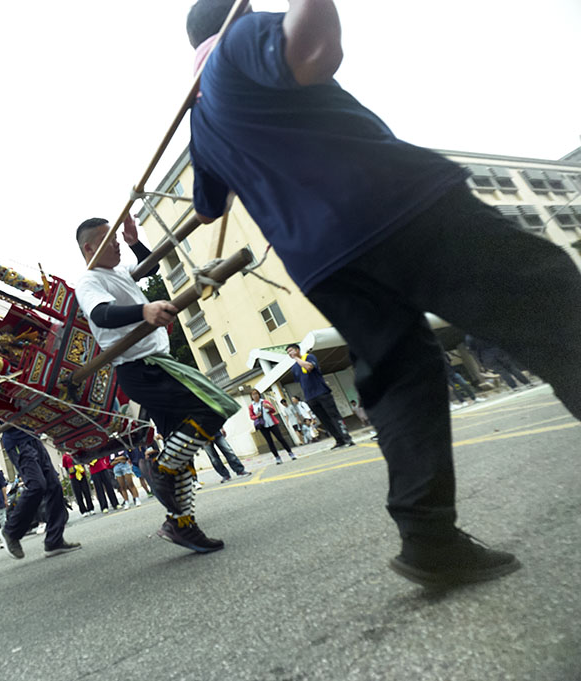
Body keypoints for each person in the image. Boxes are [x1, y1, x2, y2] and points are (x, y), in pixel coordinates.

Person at [184, 0, 581, 585]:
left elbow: (207, 205)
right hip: (397, 207)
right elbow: (314, 51)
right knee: (547, 303)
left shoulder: (201, 120)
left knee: (401, 379)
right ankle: (429, 538)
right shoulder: (240, 43)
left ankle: (430, 540)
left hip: (325, 265)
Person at [76, 213, 238, 552]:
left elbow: (148, 269)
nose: (116, 243)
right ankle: (161, 469)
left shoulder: (119, 272)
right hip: (142, 369)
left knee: (183, 450)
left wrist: (135, 243)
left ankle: (181, 525)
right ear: (89, 248)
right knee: (213, 409)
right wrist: (144, 311)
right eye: (109, 240)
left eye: (116, 238)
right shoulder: (89, 281)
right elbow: (101, 314)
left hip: (156, 365)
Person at [0, 428, 79, 559]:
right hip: (18, 442)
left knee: (54, 486)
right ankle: (11, 532)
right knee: (36, 486)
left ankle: (54, 541)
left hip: (34, 438)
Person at [286, 345, 355, 449]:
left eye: (291, 350)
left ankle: (347, 438)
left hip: (322, 392)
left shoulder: (309, 357)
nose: (289, 353)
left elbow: (309, 367)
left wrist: (296, 358)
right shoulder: (294, 368)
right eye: (288, 352)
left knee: (334, 416)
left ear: (297, 350)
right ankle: (339, 440)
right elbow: (300, 381)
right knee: (324, 419)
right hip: (310, 397)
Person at [249, 389, 296, 464]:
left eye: (256, 394)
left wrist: (269, 407)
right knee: (269, 442)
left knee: (281, 438)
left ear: (259, 394)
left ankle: (290, 453)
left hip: (272, 423)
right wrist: (257, 416)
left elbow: (273, 410)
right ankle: (277, 457)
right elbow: (251, 416)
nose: (255, 396)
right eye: (253, 394)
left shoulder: (264, 401)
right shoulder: (251, 406)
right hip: (262, 425)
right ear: (251, 396)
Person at [61, 453, 94, 517]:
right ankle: (83, 510)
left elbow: (82, 460)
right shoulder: (65, 456)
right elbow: (66, 467)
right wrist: (71, 470)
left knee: (86, 492)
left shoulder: (76, 452)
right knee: (78, 494)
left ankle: (91, 508)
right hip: (73, 477)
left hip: (82, 474)